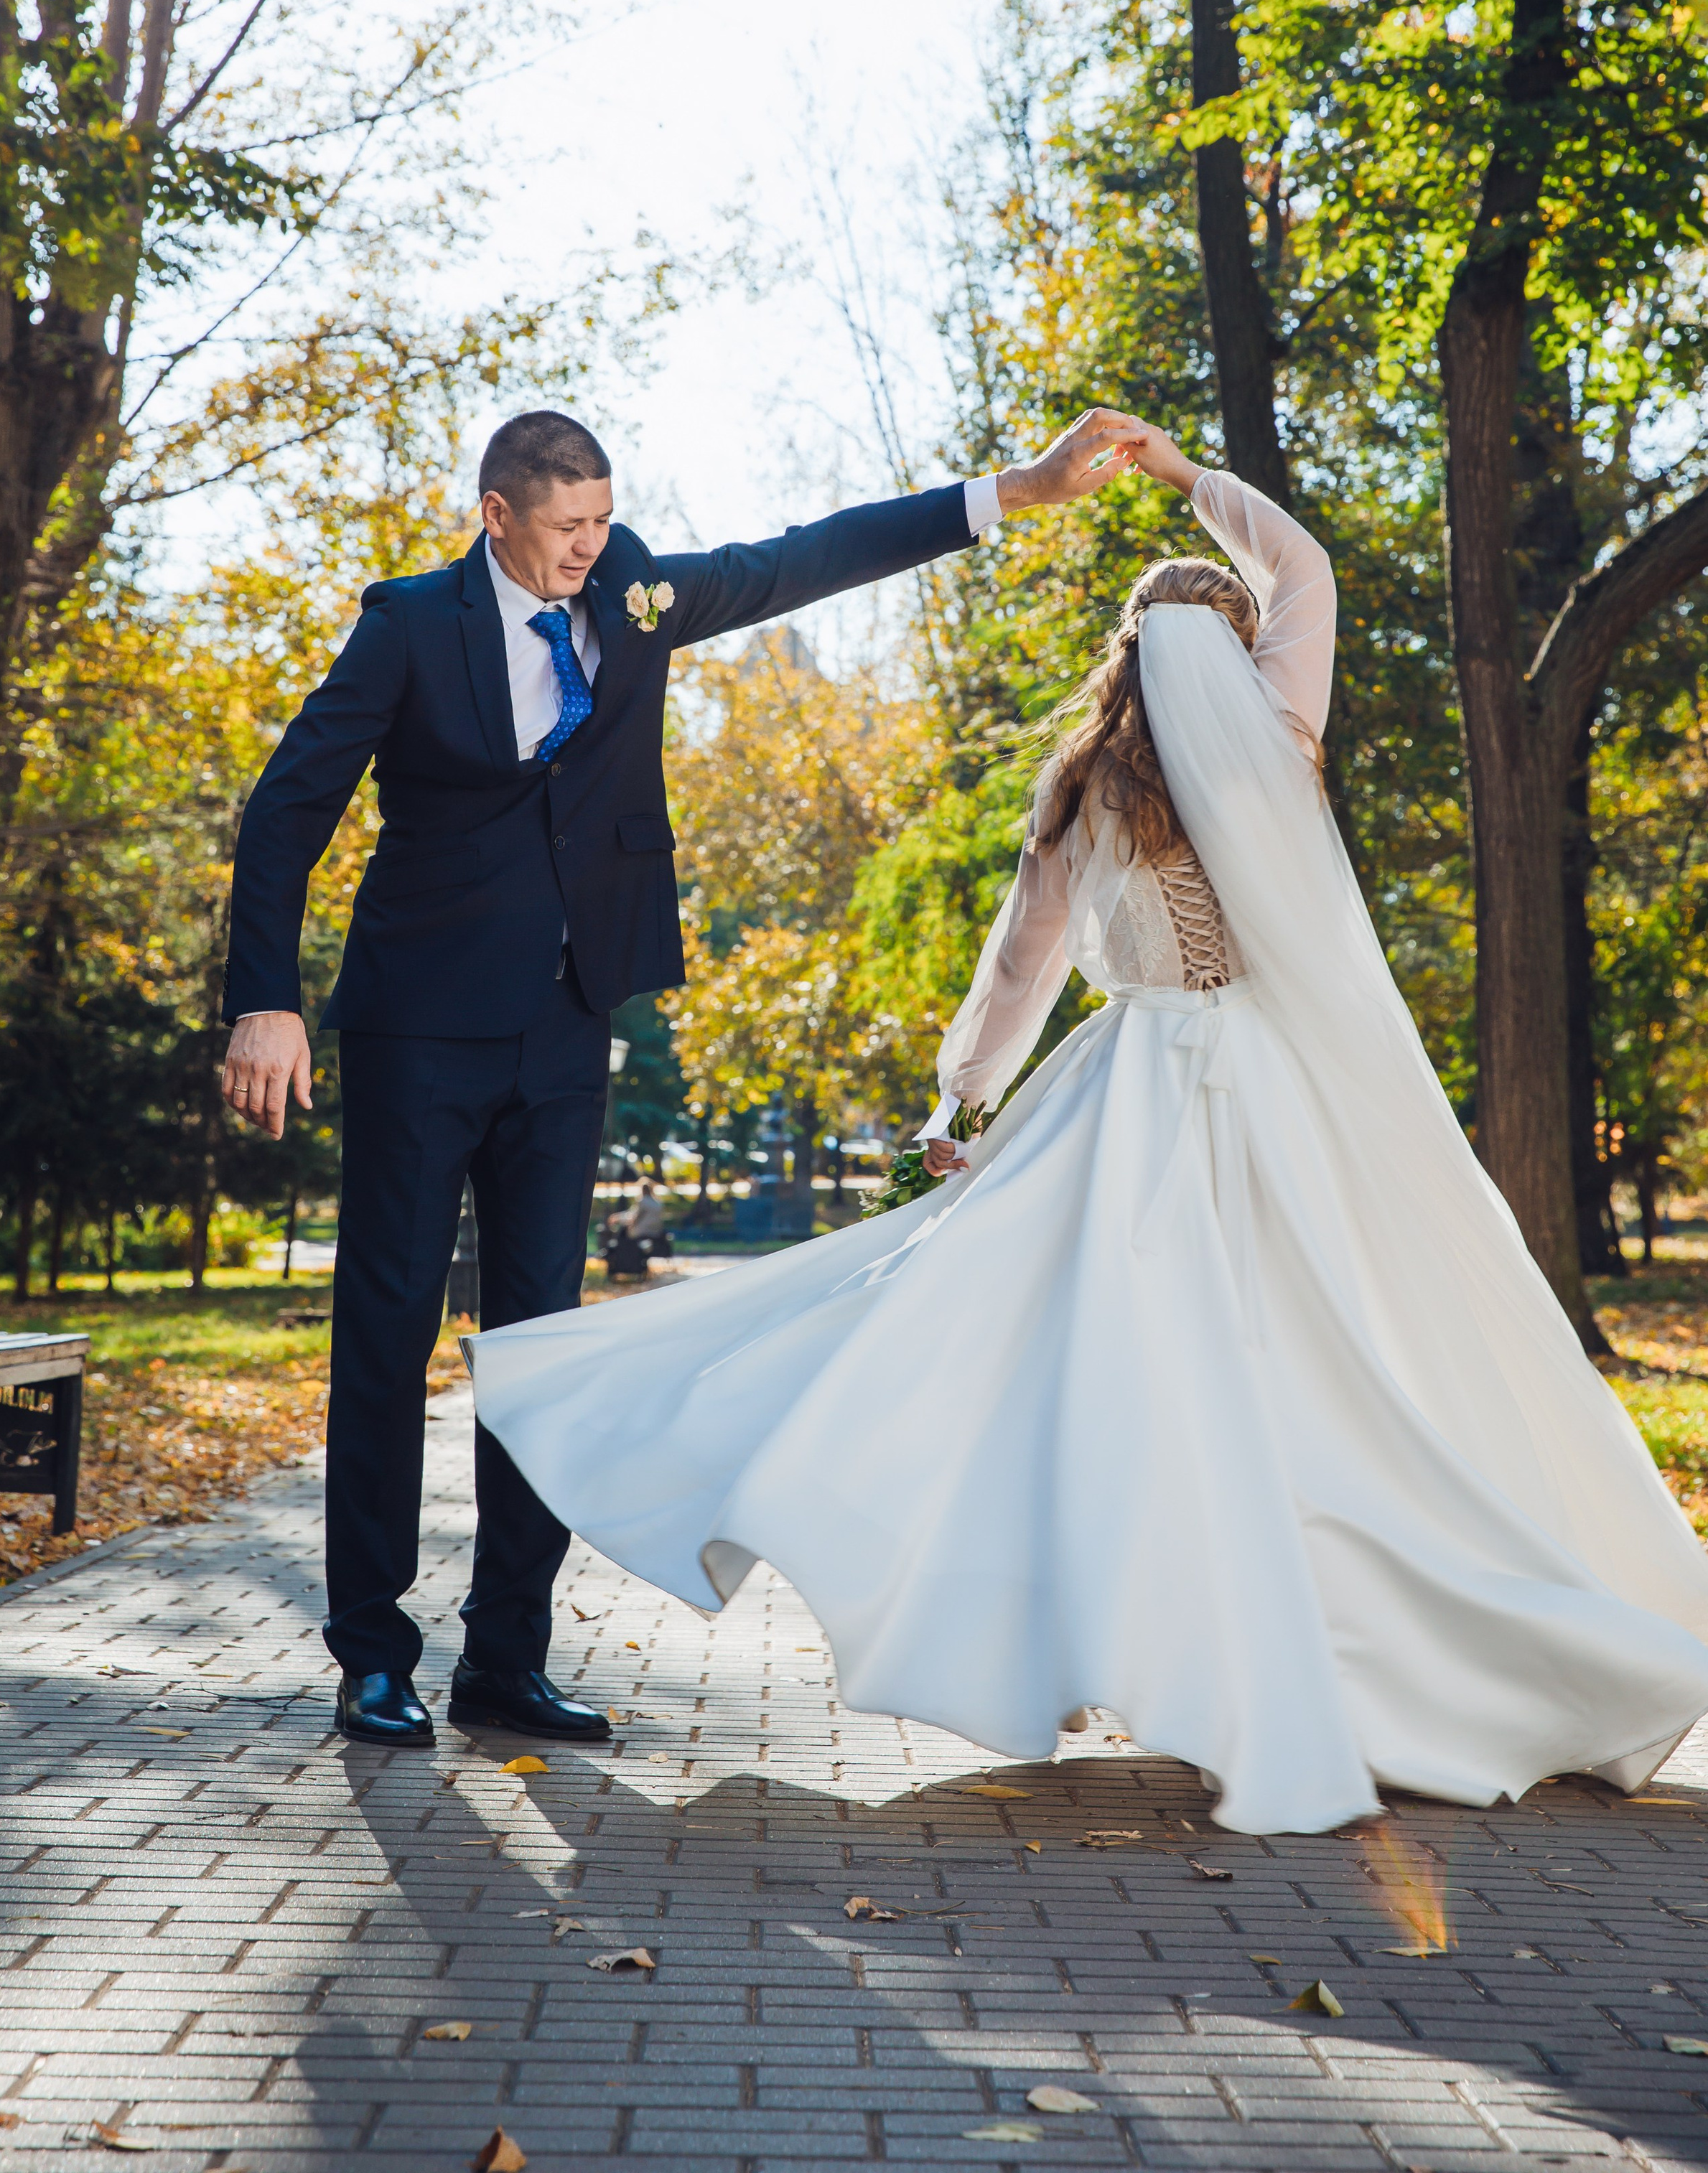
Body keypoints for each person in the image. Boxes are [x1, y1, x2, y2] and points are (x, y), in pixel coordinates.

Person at [465, 413, 1708, 1835]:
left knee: (1085, 1381)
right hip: (1275, 1098)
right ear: (1236, 654)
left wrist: (965, 1100)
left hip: (1122, 1102)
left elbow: (1021, 967)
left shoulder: (1078, 793)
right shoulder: (1280, 735)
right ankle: (1337, 1651)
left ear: (1122, 657)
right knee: (1309, 1373)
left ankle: (1144, 1636)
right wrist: (1185, 480)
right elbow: (1305, 571)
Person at [218, 403, 1134, 1744]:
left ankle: (505, 1661)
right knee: (388, 1330)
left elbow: (808, 553)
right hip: (418, 1028)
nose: (593, 546)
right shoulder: (411, 625)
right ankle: (372, 1651)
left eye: (604, 519)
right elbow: (289, 803)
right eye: (567, 527)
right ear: (498, 517)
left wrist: (1017, 492)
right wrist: (265, 1003)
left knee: (542, 1350)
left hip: (566, 1029)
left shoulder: (637, 594)